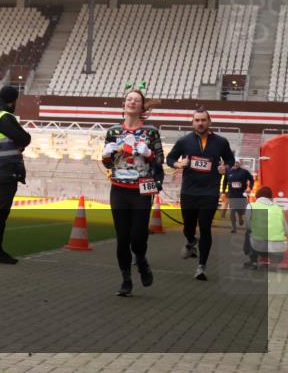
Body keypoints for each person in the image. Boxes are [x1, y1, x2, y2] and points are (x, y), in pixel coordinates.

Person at [101, 89, 164, 297]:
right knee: (122, 238)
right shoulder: (113, 131)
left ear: (142, 106)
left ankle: (142, 260)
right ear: (124, 104)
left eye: (137, 100)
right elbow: (109, 163)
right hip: (119, 188)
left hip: (141, 189)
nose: (132, 102)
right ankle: (126, 279)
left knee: (138, 236)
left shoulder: (151, 132)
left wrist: (149, 153)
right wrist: (106, 156)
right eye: (129, 99)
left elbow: (159, 161)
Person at [165, 108, 235, 281]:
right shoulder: (184, 141)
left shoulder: (221, 142)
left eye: (203, 120)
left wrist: (225, 168)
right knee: (188, 226)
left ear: (209, 122)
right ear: (193, 122)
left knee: (205, 226)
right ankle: (191, 241)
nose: (200, 123)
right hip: (189, 192)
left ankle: (201, 266)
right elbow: (169, 158)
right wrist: (178, 164)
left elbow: (230, 160)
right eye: (197, 120)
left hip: (209, 193)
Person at [0, 85, 31, 264]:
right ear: (12, 100)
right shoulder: (4, 117)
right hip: (6, 170)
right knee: (0, 213)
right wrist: (22, 142)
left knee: (0, 213)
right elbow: (25, 138)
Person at [242, 186, 288, 270]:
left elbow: (248, 225)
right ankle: (271, 261)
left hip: (260, 247)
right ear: (270, 197)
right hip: (279, 249)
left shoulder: (251, 206)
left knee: (249, 232)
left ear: (257, 195)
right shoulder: (278, 209)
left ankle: (253, 262)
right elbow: (286, 230)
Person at [222, 158, 254, 233]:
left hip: (242, 195)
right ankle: (234, 228)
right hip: (232, 195)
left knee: (241, 211)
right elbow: (224, 182)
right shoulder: (228, 172)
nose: (235, 164)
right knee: (232, 211)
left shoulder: (244, 172)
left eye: (237, 162)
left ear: (239, 163)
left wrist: (250, 187)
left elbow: (251, 179)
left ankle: (240, 217)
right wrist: (223, 191)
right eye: (234, 162)